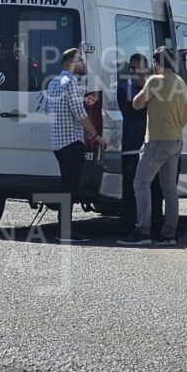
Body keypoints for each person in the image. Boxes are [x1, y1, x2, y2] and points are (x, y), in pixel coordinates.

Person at [118, 47, 187, 247]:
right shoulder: (181, 83)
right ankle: (169, 234)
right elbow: (186, 114)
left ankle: (143, 230)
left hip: (157, 140)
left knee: (140, 183)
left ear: (156, 63)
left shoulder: (155, 81)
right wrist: (174, 126)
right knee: (170, 189)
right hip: (176, 140)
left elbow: (137, 104)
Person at [46, 48, 104, 241]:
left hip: (58, 143)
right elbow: (80, 114)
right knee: (69, 188)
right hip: (71, 142)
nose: (84, 64)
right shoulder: (70, 83)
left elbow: (48, 110)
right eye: (80, 60)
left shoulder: (53, 83)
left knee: (66, 186)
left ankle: (64, 228)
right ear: (71, 63)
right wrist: (95, 135)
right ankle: (65, 231)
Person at [117, 53, 164, 238]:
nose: (138, 72)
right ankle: (129, 227)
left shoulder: (153, 87)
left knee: (154, 188)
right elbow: (131, 110)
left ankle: (155, 226)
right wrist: (144, 91)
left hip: (151, 144)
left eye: (141, 68)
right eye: (133, 69)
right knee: (130, 189)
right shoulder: (124, 88)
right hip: (131, 146)